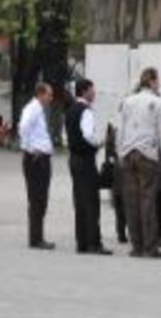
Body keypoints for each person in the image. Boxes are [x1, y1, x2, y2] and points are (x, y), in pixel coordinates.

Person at [116, 68, 161, 259]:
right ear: (153, 81)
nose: (160, 84)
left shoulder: (127, 101)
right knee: (148, 201)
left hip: (128, 153)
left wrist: (120, 153)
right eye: (159, 80)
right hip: (148, 154)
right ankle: (150, 247)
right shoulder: (157, 103)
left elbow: (120, 129)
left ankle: (136, 246)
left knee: (131, 202)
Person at [65, 79, 112, 255]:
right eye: (92, 90)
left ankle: (82, 241)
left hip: (74, 159)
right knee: (91, 201)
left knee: (79, 201)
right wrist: (99, 143)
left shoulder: (70, 110)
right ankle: (94, 242)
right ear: (84, 91)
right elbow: (88, 135)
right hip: (85, 159)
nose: (94, 93)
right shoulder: (86, 111)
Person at [18, 82, 56, 250]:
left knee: (41, 199)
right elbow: (23, 127)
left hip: (41, 159)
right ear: (41, 94)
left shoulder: (38, 109)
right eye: (49, 94)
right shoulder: (32, 109)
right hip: (36, 160)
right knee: (37, 199)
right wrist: (31, 148)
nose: (51, 98)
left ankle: (38, 236)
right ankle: (36, 238)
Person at [105, 124, 128, 244]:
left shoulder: (113, 131)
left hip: (117, 173)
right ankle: (125, 232)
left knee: (119, 205)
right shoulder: (129, 130)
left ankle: (121, 233)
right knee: (127, 203)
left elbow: (108, 154)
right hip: (126, 172)